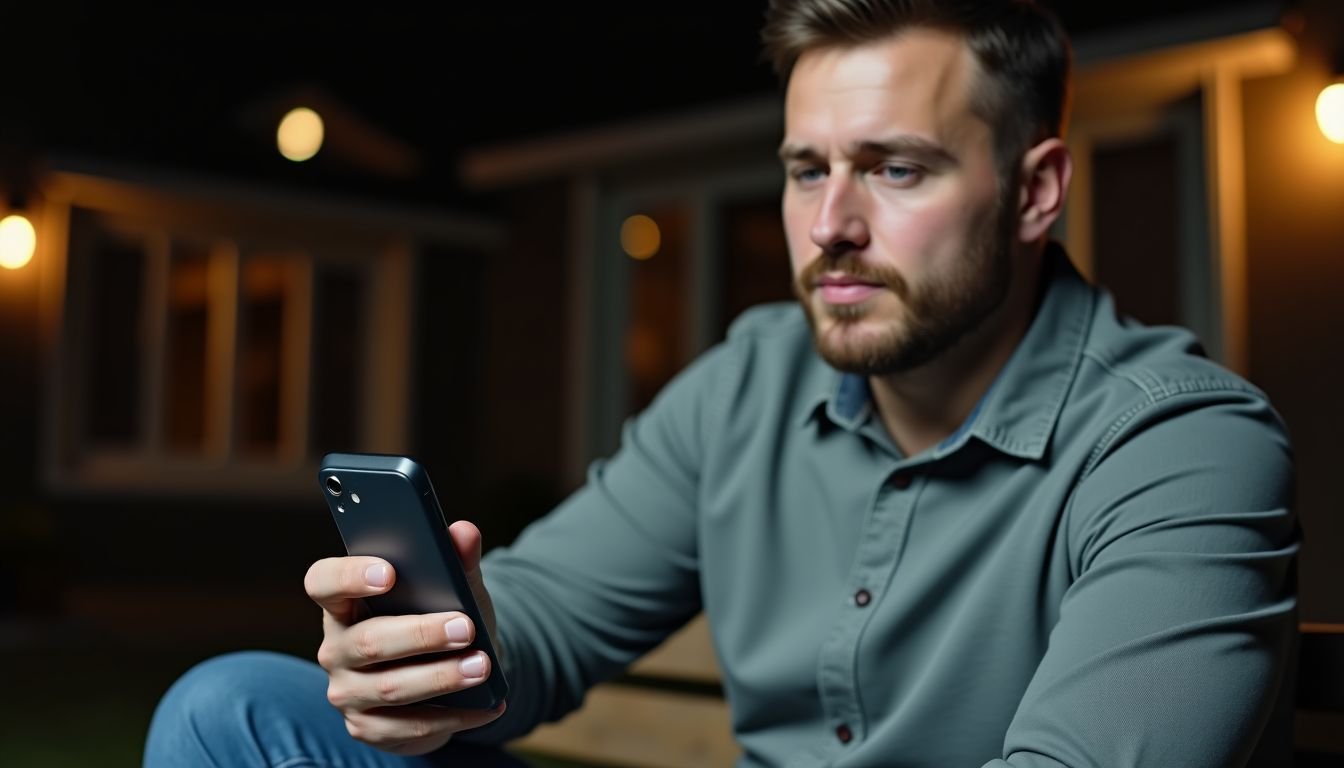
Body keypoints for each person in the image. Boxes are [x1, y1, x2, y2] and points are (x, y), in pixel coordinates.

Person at [144, 1, 1301, 766]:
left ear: (1037, 191)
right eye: (808, 171)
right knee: (229, 711)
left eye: (898, 169)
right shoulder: (749, 382)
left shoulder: (1180, 446)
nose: (832, 226)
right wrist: (441, 654)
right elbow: (542, 624)